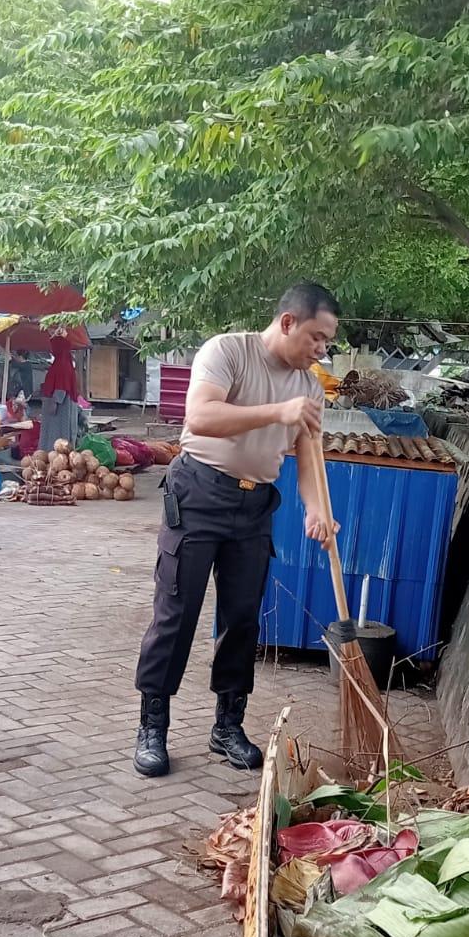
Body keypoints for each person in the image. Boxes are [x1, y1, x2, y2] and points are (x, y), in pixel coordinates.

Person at [132, 282, 338, 778]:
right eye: (316, 337)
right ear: (288, 321)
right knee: (176, 611)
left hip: (254, 506)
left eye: (327, 342)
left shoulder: (309, 386)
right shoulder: (228, 351)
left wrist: (314, 509)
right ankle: (152, 727)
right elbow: (199, 417)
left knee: (243, 619)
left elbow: (309, 454)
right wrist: (277, 411)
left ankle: (227, 726)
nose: (321, 350)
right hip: (199, 494)